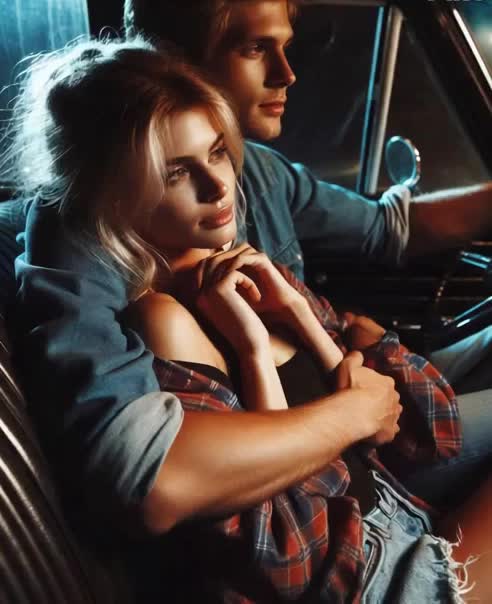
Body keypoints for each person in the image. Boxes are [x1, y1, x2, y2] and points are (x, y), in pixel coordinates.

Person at [10, 38, 491, 603]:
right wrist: (260, 352)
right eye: (176, 173)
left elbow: (409, 431)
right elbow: (287, 543)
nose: (219, 186)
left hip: (398, 520)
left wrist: (302, 318)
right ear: (118, 197)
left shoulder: (248, 268)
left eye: (217, 151)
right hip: (373, 576)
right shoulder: (161, 319)